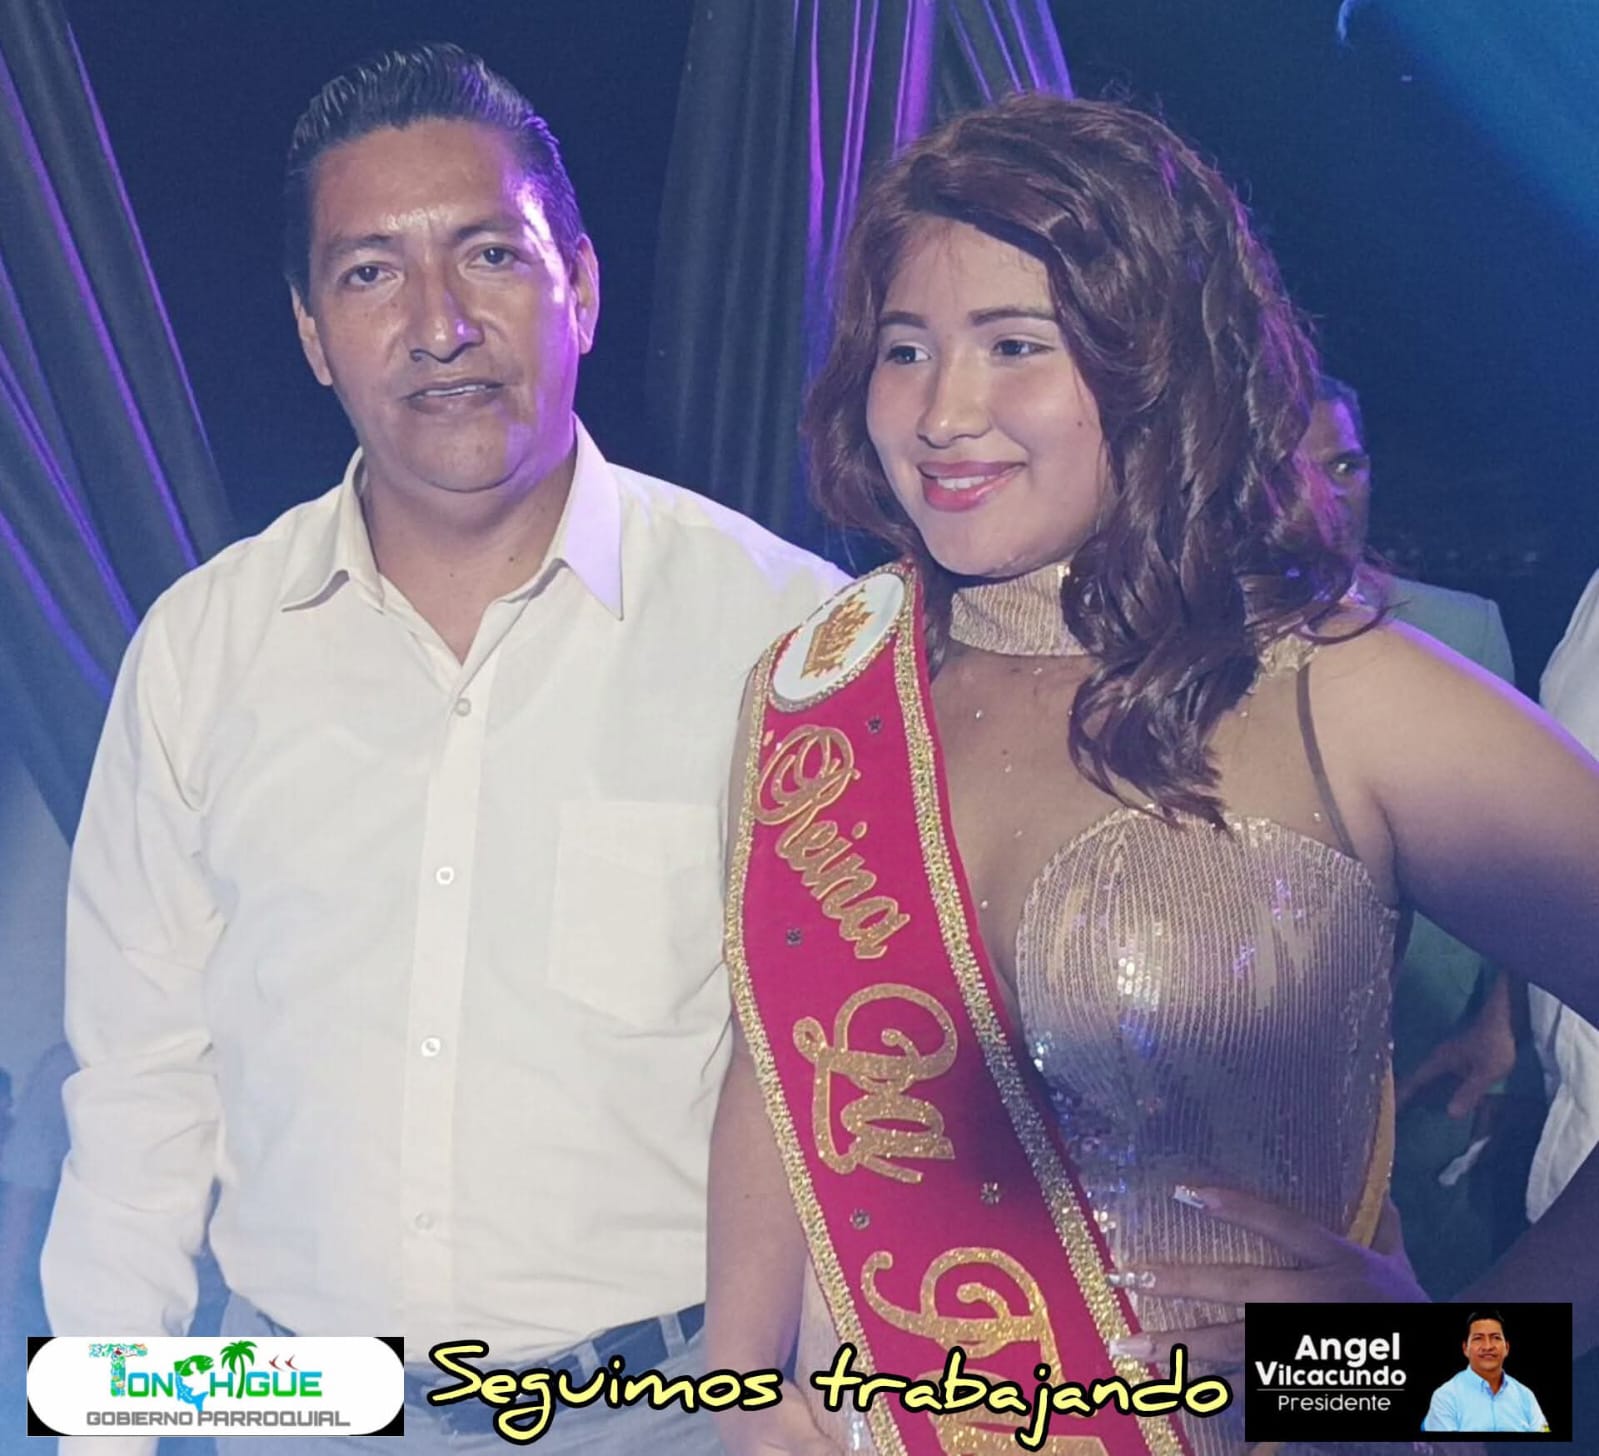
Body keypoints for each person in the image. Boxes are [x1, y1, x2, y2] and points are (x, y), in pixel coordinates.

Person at [705, 93, 1599, 1456]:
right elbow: (777, 1062)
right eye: (905, 348)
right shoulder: (823, 691)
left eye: (1015, 344)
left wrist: (1436, 1372)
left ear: (1159, 363)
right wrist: (740, 1388)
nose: (943, 411)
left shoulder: (1341, 688)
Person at [42, 42, 843, 1456]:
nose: (437, 324)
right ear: (311, 334)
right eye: (370, 274)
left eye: (487, 255)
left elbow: (844, 1081)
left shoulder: (783, 636)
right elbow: (137, 1089)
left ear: (578, 285)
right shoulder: (203, 649)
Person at [1303, 375, 1520, 1297]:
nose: (1325, 497)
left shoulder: (1458, 630)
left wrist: (1500, 1037)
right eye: (1287, 471)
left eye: (1344, 466)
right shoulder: (1178, 653)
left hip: (1428, 1059)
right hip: (1270, 1090)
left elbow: (1521, 859)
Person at [1422, 1311, 1549, 1434]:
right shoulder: (1445, 1396)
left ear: (1507, 1348)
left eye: (1496, 1338)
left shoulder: (1526, 1396)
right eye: (1478, 1338)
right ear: (1465, 1348)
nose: (1488, 1347)